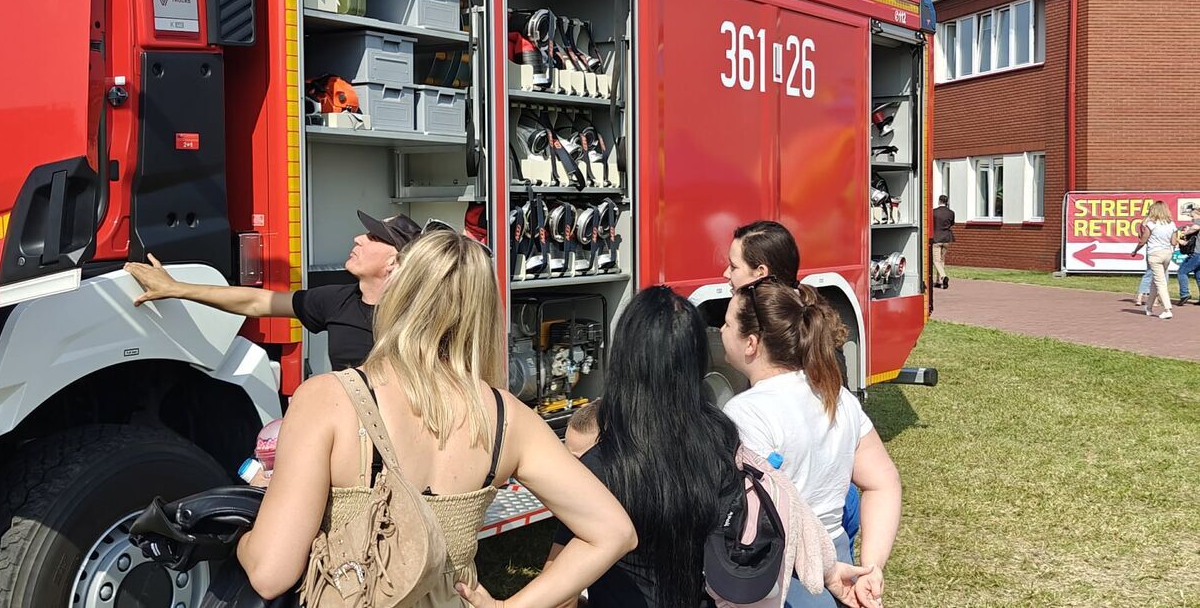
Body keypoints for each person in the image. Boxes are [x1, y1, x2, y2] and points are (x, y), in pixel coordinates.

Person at [235, 230, 637, 605]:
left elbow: (271, 573)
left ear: (396, 296)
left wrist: (240, 538)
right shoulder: (508, 418)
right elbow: (613, 532)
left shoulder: (327, 398)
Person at [545, 287, 870, 608]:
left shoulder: (599, 465)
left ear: (622, 361)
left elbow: (560, 592)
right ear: (697, 360)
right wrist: (829, 570)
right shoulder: (724, 438)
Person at [721, 280, 901, 608]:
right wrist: (871, 568)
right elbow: (883, 483)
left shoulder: (744, 413)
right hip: (838, 561)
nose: (721, 330)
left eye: (727, 323)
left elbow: (762, 517)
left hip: (779, 576)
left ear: (750, 343)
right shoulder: (839, 397)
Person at [126, 209, 421, 369]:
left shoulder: (421, 315)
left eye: (373, 237)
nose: (358, 238)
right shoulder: (336, 300)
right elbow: (257, 302)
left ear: (394, 262)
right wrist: (176, 288)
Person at [722, 221, 862, 548]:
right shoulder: (807, 320)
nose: (726, 275)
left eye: (733, 266)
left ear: (760, 272)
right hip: (830, 510)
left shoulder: (788, 342)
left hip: (803, 519)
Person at [1131, 201, 1180, 319]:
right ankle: (1148, 307)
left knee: (1160, 282)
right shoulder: (1171, 224)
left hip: (1155, 254)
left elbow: (1143, 240)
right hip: (1167, 254)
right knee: (1156, 280)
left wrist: (1135, 250)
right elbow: (1173, 242)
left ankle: (1167, 309)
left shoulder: (1151, 224)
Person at [1175, 204, 1200, 305]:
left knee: (1182, 272)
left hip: (1197, 254)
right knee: (1199, 275)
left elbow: (1196, 227)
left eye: (1192, 216)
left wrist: (1184, 233)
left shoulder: (1198, 222)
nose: (1192, 218)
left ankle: (1184, 294)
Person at [932, 195, 956, 289]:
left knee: (936, 260)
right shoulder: (951, 213)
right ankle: (938, 281)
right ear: (947, 202)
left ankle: (943, 276)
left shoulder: (934, 212)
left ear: (939, 201)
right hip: (947, 239)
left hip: (936, 239)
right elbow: (952, 223)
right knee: (941, 260)